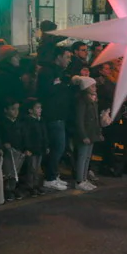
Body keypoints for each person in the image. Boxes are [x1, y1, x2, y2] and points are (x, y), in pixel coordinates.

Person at [36, 46, 72, 191]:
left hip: (60, 114)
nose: (69, 60)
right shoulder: (48, 72)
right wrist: (62, 85)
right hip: (53, 114)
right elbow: (48, 91)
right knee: (57, 147)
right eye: (67, 57)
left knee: (60, 147)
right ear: (58, 57)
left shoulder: (59, 72)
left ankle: (53, 174)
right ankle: (49, 177)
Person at [73, 76, 101, 191]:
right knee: (82, 157)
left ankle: (84, 179)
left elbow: (95, 118)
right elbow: (79, 120)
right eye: (92, 86)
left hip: (91, 133)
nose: (95, 88)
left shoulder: (92, 100)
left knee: (87, 157)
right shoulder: (82, 101)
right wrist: (83, 135)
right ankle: (79, 180)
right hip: (86, 133)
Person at [0, 99, 27, 201]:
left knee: (17, 170)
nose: (16, 112)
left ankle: (14, 188)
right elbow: (1, 136)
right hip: (8, 151)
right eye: (13, 109)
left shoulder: (19, 123)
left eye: (17, 109)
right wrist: (4, 144)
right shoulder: (3, 123)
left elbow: (24, 136)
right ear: (6, 110)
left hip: (19, 150)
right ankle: (7, 190)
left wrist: (25, 148)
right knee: (8, 171)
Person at [22, 98, 48, 196]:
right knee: (31, 168)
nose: (40, 110)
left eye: (40, 107)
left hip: (39, 148)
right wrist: (27, 148)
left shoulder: (41, 120)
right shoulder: (28, 121)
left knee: (37, 168)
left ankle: (36, 185)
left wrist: (46, 145)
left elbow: (44, 134)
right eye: (37, 108)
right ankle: (30, 186)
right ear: (30, 110)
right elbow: (27, 136)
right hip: (32, 149)